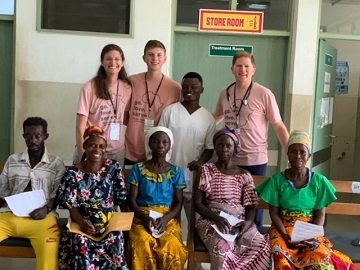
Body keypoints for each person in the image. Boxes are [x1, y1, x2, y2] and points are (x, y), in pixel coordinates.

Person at [256, 130, 355, 270]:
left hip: (310, 230)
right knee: (278, 254)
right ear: (288, 154)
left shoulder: (319, 181)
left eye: (302, 152)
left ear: (309, 155)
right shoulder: (277, 180)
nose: (298, 156)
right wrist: (285, 235)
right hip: (282, 229)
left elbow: (320, 214)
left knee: (318, 257)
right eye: (293, 152)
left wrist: (311, 235)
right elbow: (274, 214)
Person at [213, 51, 289, 225]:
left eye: (247, 66)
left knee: (254, 205)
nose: (243, 70)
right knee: (230, 205)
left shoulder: (264, 93)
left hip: (255, 160)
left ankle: (254, 243)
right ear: (232, 68)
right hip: (230, 159)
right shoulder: (225, 92)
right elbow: (215, 118)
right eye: (239, 66)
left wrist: (289, 152)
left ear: (253, 69)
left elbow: (278, 124)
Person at [194, 128, 271, 270]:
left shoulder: (244, 175)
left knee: (262, 246)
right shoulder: (206, 170)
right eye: (220, 145)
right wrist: (217, 219)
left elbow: (250, 206)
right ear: (215, 147)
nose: (224, 149)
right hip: (211, 220)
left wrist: (247, 224)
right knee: (222, 250)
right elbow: (198, 204)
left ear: (235, 149)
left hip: (239, 222)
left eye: (228, 146)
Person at [57, 126, 128, 269]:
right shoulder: (73, 173)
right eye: (92, 145)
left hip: (108, 225)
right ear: (84, 146)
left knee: (116, 238)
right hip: (80, 223)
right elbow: (70, 205)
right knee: (80, 241)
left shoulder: (113, 168)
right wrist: (83, 222)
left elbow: (121, 198)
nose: (97, 150)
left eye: (101, 146)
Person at [0, 117, 65, 270]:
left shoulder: (56, 163)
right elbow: (2, 193)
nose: (33, 140)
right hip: (10, 216)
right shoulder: (13, 160)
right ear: (24, 136)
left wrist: (46, 209)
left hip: (43, 219)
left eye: (37, 136)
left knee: (49, 252)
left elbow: (58, 194)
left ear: (45, 136)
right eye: (28, 136)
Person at [128, 126, 188, 270]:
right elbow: (131, 200)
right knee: (142, 241)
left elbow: (179, 203)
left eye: (164, 142)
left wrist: (165, 219)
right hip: (142, 216)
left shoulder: (176, 172)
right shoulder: (138, 168)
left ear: (169, 146)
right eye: (156, 141)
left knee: (171, 244)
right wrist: (144, 218)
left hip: (167, 217)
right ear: (150, 144)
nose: (160, 145)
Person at [158, 71, 216, 220]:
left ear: (202, 90)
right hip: (169, 176)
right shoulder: (170, 111)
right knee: (168, 221)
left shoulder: (208, 118)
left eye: (194, 87)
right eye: (185, 87)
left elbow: (210, 147)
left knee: (194, 225)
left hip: (193, 178)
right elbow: (158, 140)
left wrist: (200, 162)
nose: (189, 90)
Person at [124, 40, 182, 165]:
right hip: (132, 147)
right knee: (132, 182)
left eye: (159, 55)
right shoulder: (131, 81)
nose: (155, 58)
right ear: (144, 58)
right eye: (150, 54)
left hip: (159, 149)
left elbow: (176, 119)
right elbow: (123, 114)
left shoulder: (175, 88)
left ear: (165, 58)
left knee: (153, 184)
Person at [75, 44, 132, 165]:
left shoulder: (127, 88)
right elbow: (80, 126)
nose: (113, 62)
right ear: (102, 62)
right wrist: (82, 153)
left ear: (122, 62)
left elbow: (126, 118)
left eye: (117, 59)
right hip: (92, 150)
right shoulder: (89, 87)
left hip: (117, 151)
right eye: (108, 59)